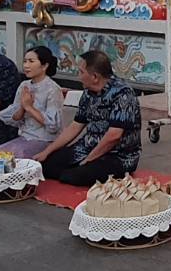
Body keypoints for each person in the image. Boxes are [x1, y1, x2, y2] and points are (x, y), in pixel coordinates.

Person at [34, 50, 141, 185]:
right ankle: (72, 168)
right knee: (45, 166)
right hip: (86, 147)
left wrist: (88, 160)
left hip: (118, 155)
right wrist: (47, 151)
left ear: (95, 77)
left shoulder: (123, 94)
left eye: (81, 72)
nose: (78, 77)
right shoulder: (88, 93)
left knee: (75, 176)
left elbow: (114, 136)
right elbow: (75, 126)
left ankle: (75, 171)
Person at [0, 46, 66, 159]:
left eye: (31, 61)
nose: (26, 65)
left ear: (44, 65)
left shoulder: (52, 89)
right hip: (24, 137)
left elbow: (53, 126)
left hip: (44, 139)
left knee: (16, 158)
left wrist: (29, 107)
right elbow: (15, 118)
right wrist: (22, 107)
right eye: (25, 61)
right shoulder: (24, 86)